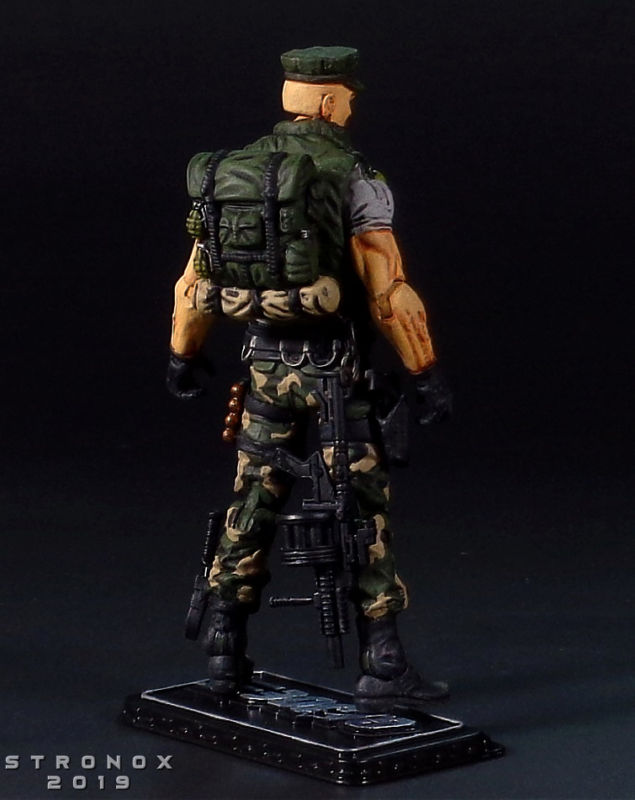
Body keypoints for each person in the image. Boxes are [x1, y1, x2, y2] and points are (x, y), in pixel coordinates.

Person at [166, 46, 452, 707]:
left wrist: (182, 353)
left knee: (250, 503)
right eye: (347, 95)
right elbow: (388, 291)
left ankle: (223, 648)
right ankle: (383, 662)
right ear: (327, 100)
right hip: (335, 378)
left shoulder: (230, 173)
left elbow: (194, 283)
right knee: (361, 513)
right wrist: (425, 368)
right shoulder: (355, 176)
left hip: (264, 371)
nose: (351, 105)